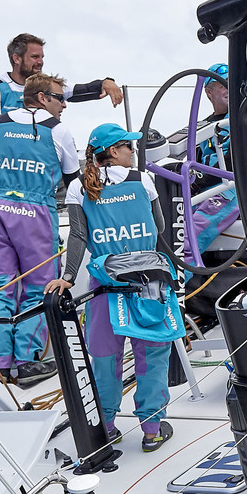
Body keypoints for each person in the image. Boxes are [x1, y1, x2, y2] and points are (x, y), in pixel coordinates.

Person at [47, 124, 179, 452]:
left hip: (105, 285)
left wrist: (68, 276)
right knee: (151, 355)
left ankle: (106, 427)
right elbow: (160, 227)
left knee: (105, 358)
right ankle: (152, 430)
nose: (133, 152)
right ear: (114, 151)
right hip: (148, 282)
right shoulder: (142, 180)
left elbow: (77, 237)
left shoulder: (79, 187)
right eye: (128, 147)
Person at [0, 73, 79, 387]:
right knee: (38, 286)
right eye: (58, 98)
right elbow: (74, 185)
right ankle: (26, 363)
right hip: (36, 212)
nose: (63, 105)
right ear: (42, 98)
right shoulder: (59, 131)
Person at [0, 32, 122, 224]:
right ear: (16, 59)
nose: (40, 62)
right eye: (35, 57)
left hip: (29, 155)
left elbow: (79, 90)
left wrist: (105, 83)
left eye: (42, 57)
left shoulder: (44, 86)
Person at [188, 64, 239, 257]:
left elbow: (235, 160)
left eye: (230, 82)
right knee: (170, 225)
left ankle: (177, 285)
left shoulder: (241, 119)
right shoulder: (202, 127)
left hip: (229, 192)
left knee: (187, 238)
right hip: (204, 193)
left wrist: (198, 183)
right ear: (208, 92)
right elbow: (193, 163)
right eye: (222, 84)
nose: (228, 87)